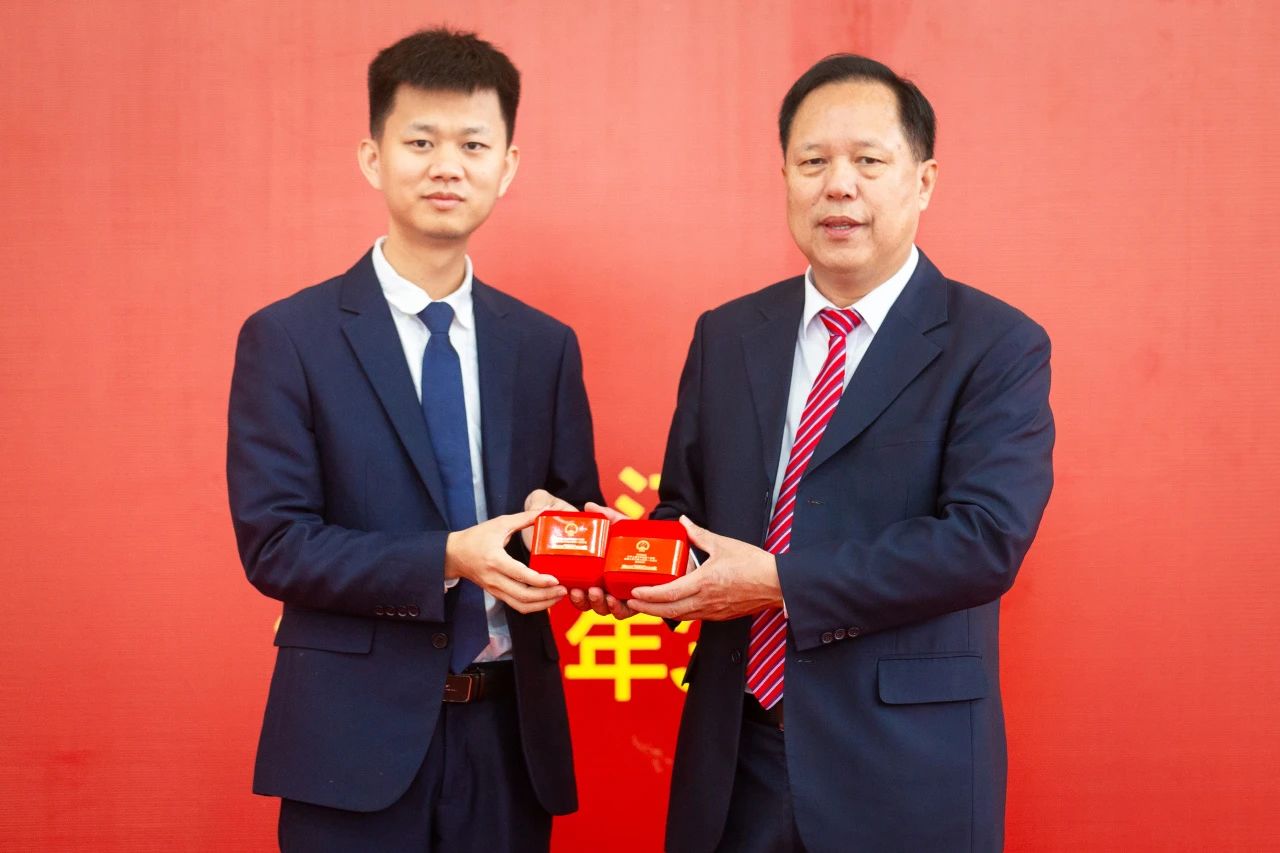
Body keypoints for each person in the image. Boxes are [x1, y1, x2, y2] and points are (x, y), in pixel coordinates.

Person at [580, 54, 1054, 851]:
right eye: (813, 162)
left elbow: (982, 542)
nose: (839, 186)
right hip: (738, 757)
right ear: (785, 178)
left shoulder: (995, 344)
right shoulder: (728, 334)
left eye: (868, 161)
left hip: (904, 765)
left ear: (923, 181)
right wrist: (626, 563)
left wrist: (775, 581)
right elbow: (686, 514)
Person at [226, 28, 601, 852]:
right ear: (373, 157)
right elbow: (277, 545)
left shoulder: (543, 346)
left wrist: (580, 540)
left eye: (474, 145)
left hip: (509, 740)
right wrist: (449, 556)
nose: (447, 167)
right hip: (348, 742)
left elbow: (571, 511)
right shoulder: (289, 338)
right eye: (421, 142)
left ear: (507, 166)